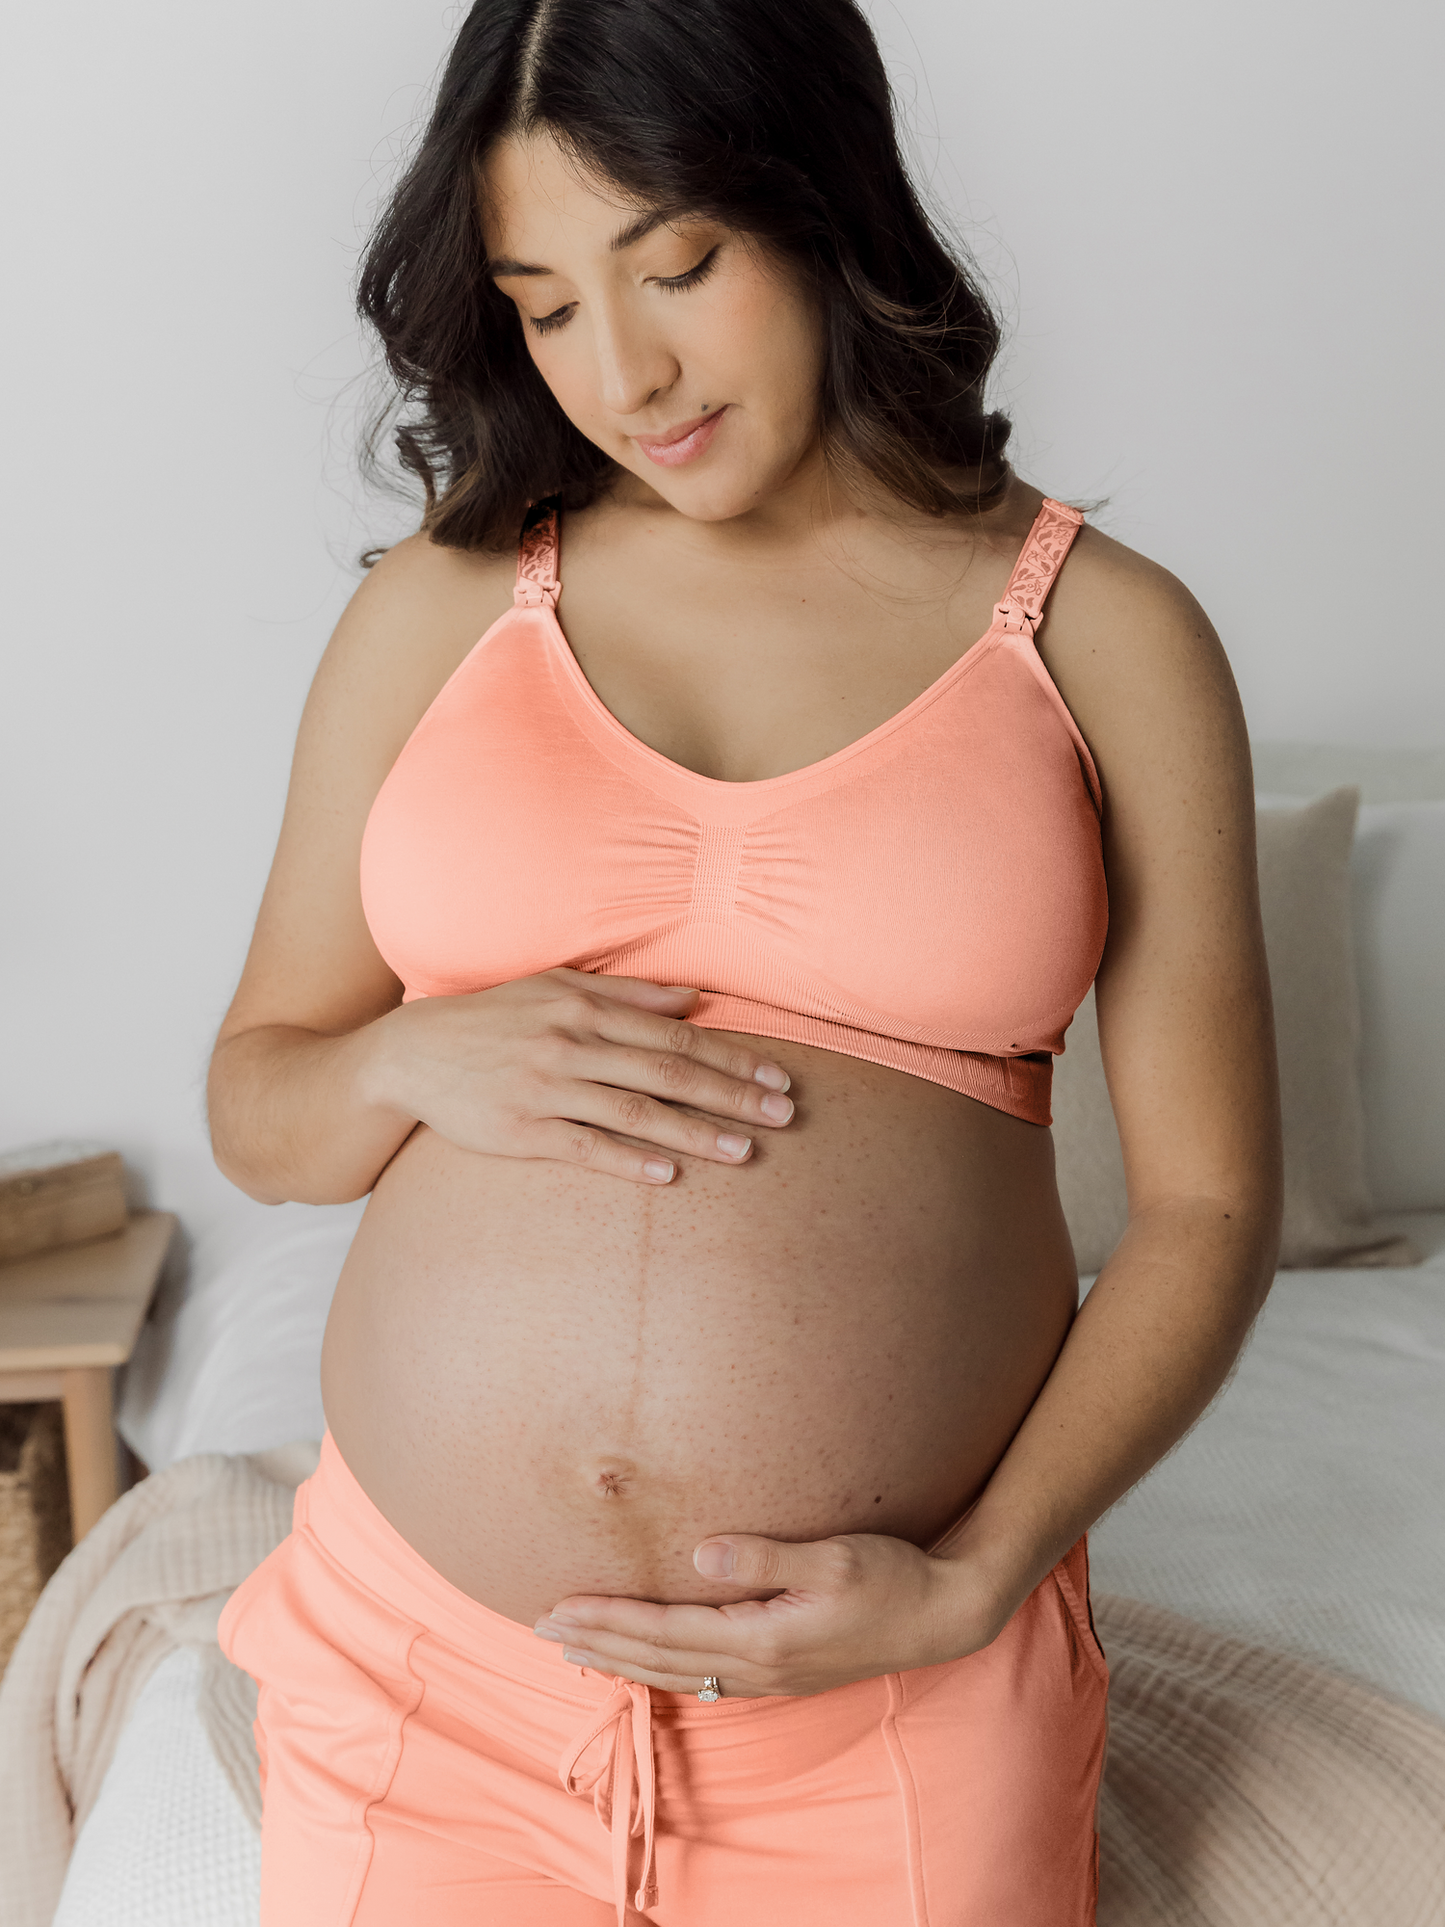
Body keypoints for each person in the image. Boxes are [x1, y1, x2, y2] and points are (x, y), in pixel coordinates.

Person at [209, 1, 1282, 1921]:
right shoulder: (445, 603)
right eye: (544, 304)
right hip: (425, 1681)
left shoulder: (1102, 637)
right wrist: (402, 1063)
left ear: (822, 205)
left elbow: (1206, 1202)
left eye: (678, 264)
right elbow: (265, 1099)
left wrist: (980, 1574)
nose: (623, 369)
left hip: (892, 1704)